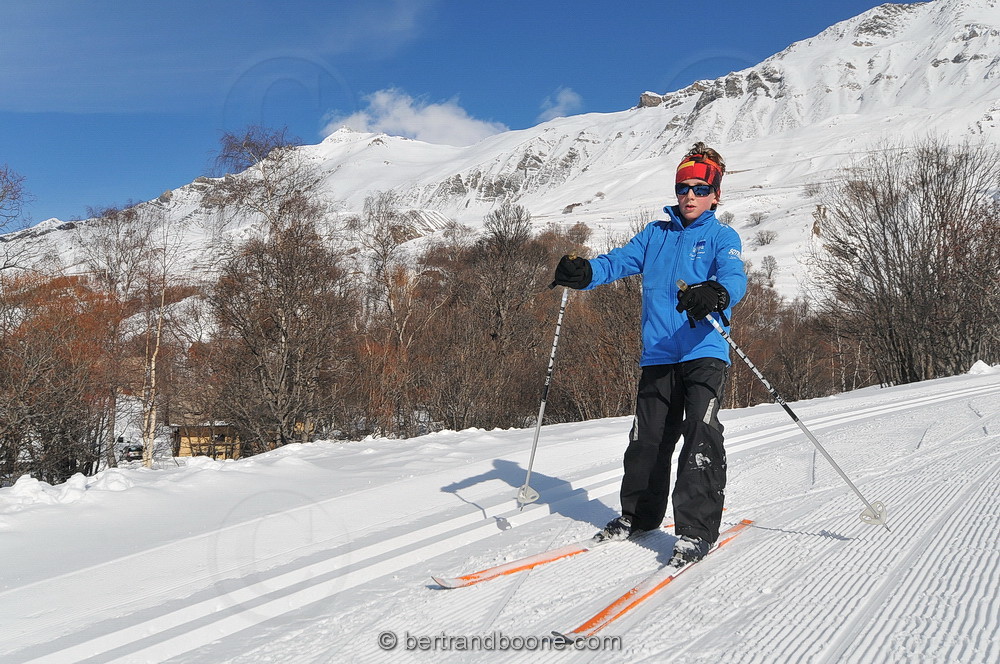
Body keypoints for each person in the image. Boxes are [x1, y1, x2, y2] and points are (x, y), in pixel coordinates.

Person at [552, 142, 746, 567]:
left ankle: (695, 531)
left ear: (715, 194)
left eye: (699, 188)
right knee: (648, 440)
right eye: (683, 188)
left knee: (700, 433)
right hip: (658, 353)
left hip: (703, 351)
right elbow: (617, 263)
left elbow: (733, 276)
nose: (689, 196)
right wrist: (584, 273)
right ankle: (639, 516)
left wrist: (715, 292)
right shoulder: (654, 235)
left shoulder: (720, 235)